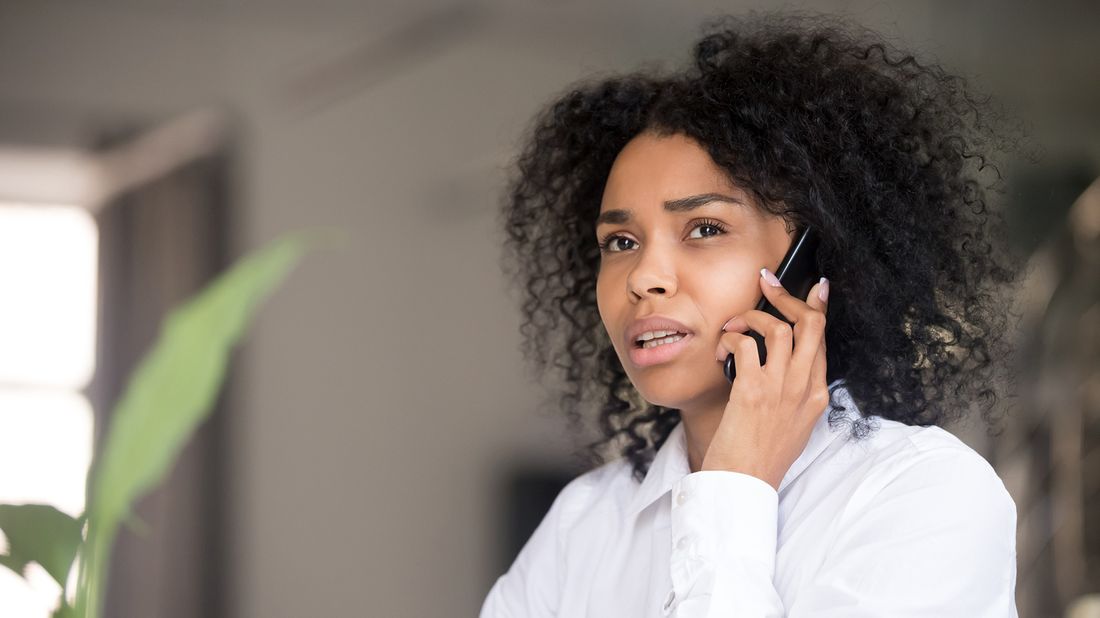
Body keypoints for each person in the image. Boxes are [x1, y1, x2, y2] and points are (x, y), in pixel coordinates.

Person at [482, 12, 1024, 617]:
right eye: (621, 242)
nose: (643, 278)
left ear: (816, 261)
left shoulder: (924, 496)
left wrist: (736, 486)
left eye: (705, 228)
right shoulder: (583, 524)